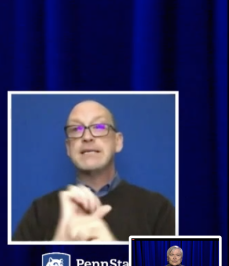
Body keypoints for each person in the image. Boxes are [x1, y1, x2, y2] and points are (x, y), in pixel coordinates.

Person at [13, 100, 175, 241]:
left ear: (118, 142)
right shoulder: (39, 211)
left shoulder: (158, 209)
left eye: (99, 126)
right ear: (68, 148)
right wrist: (59, 244)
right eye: (76, 129)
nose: (87, 137)